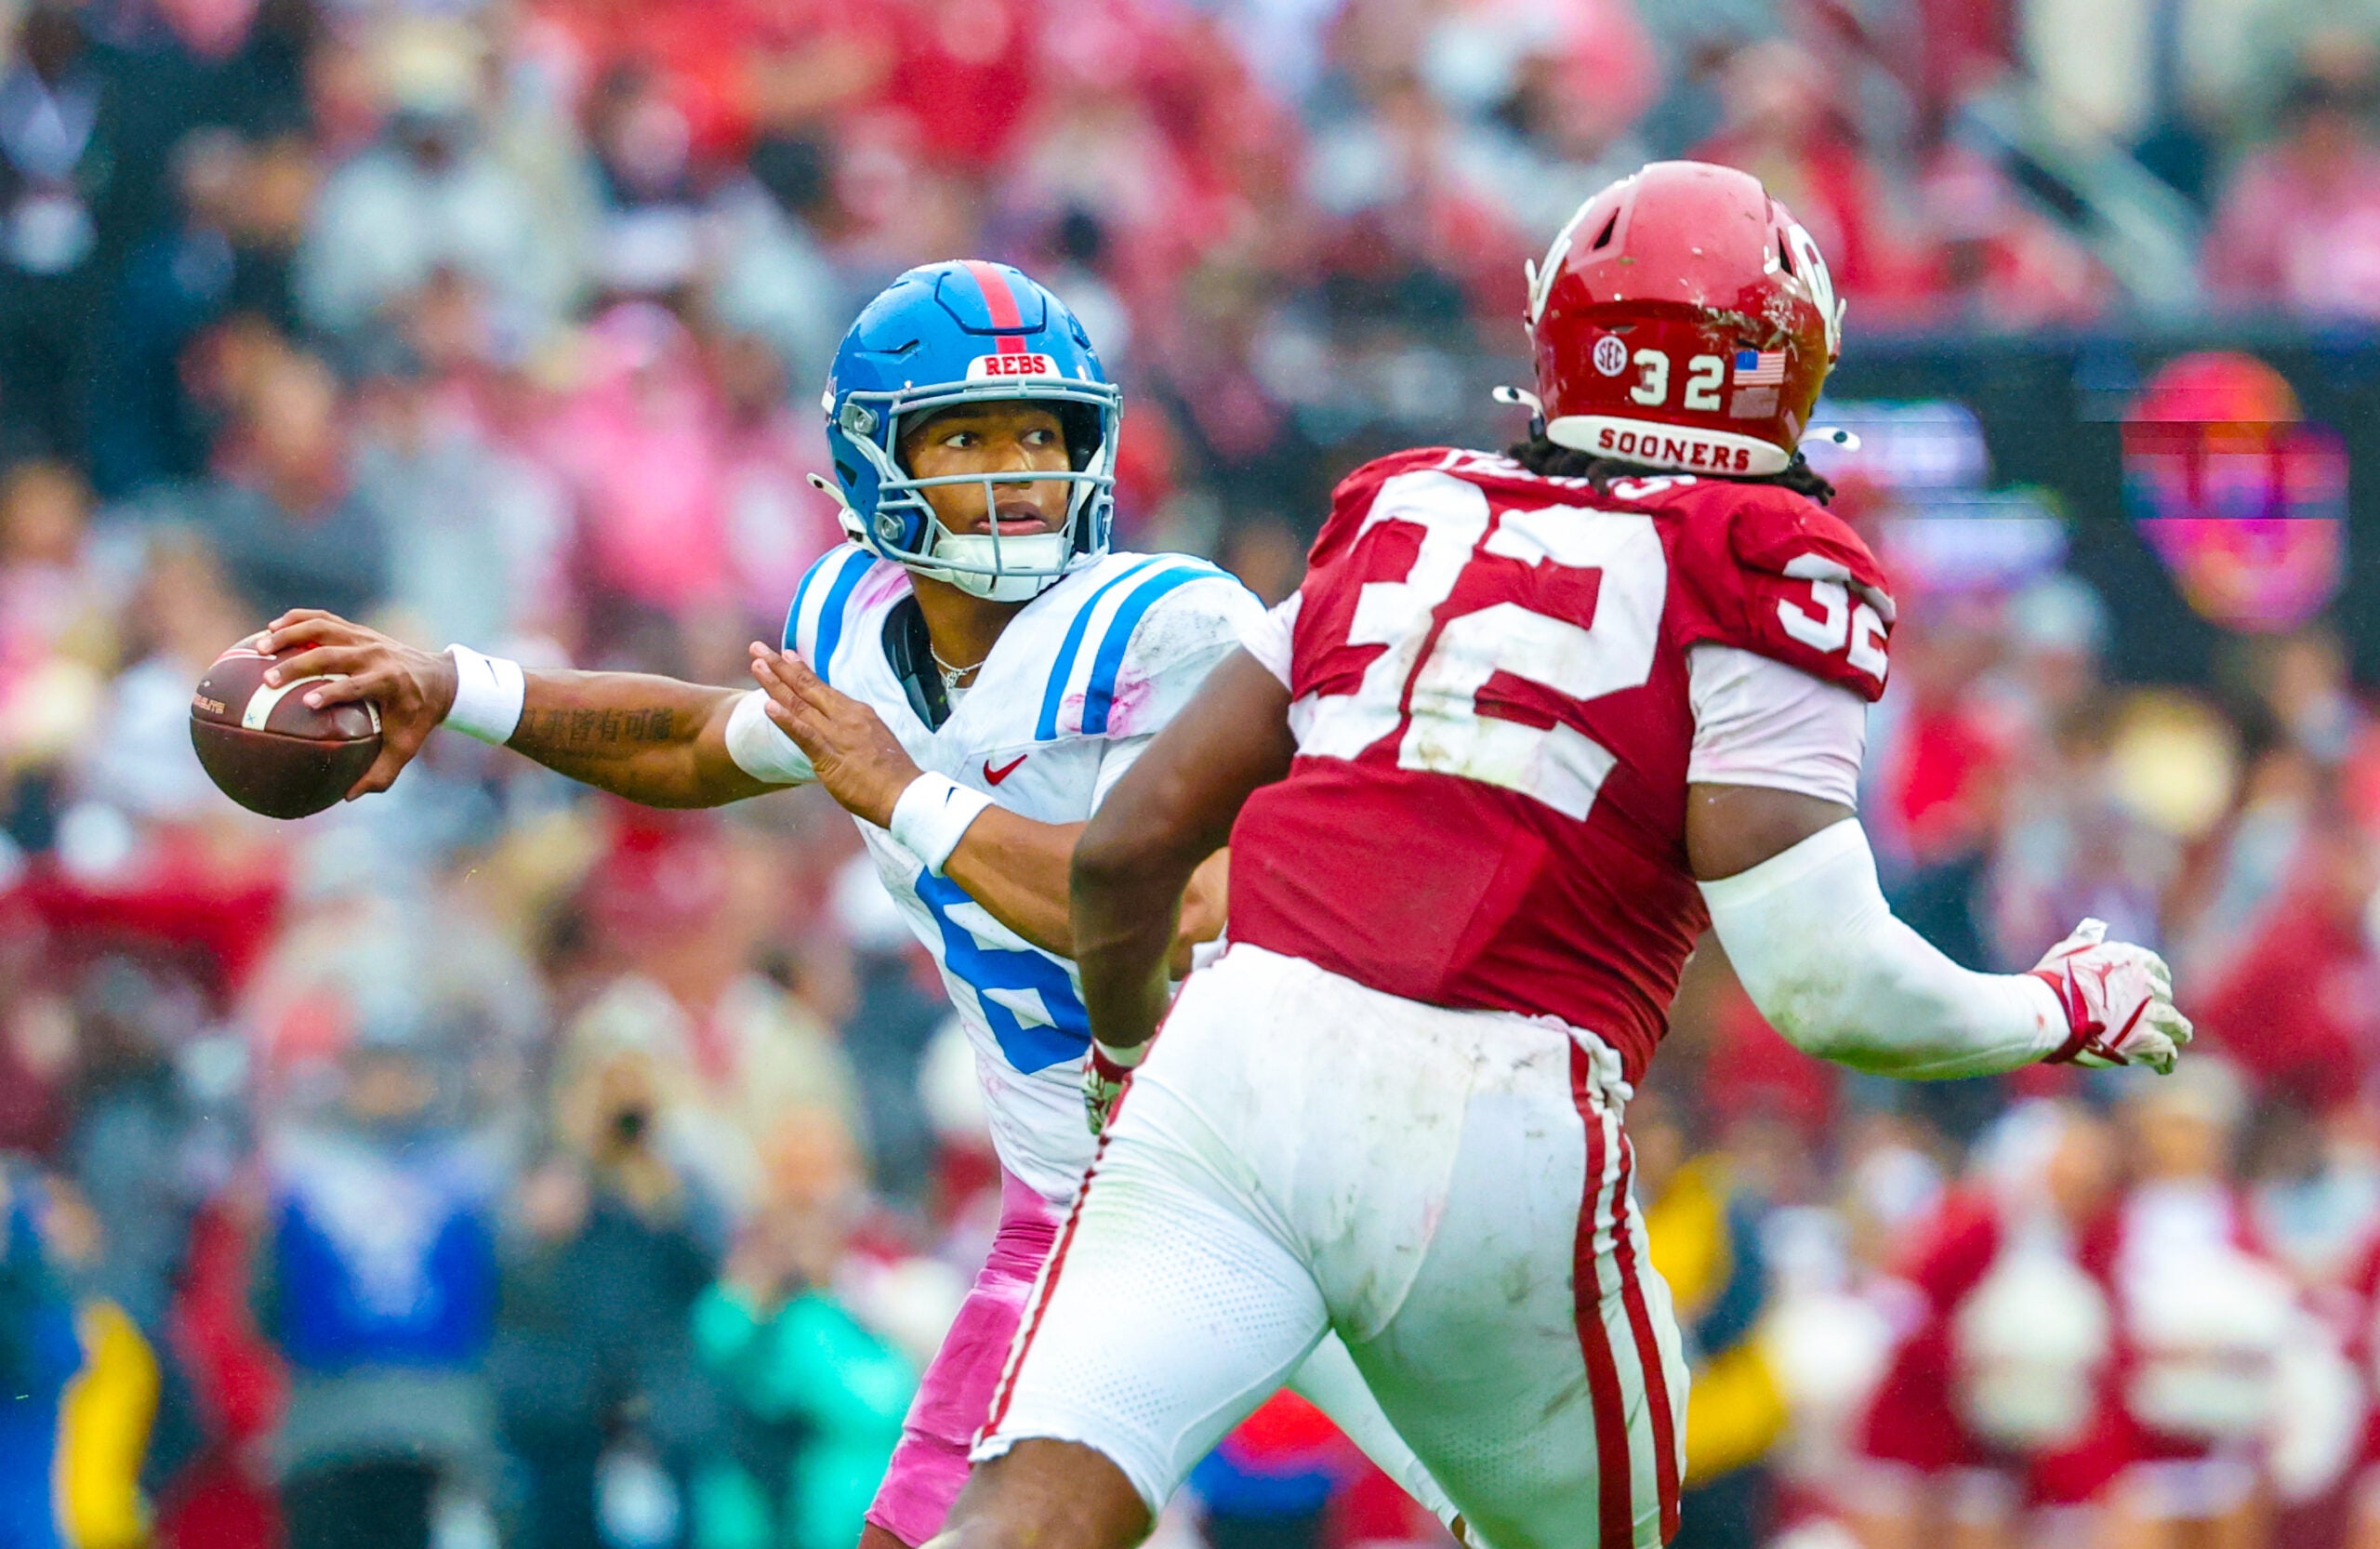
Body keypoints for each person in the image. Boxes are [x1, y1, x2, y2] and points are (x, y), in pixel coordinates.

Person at [944, 162, 2194, 1549]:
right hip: (1494, 1108)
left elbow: (1125, 852)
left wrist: (1126, 1056)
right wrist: (2059, 1006)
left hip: (1232, 1051)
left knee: (1028, 1519)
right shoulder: (1766, 553)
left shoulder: (1401, 505)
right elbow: (1825, 985)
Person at [247, 260, 1463, 1548]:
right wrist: (459, 684)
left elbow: (1165, 909)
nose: (1015, 472)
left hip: (1303, 1173)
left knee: (1560, 1515)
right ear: (877, 461)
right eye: (969, 435)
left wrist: (905, 795)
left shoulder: (1163, 630)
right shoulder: (853, 623)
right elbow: (695, 742)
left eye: (1040, 435)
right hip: (1089, 1206)